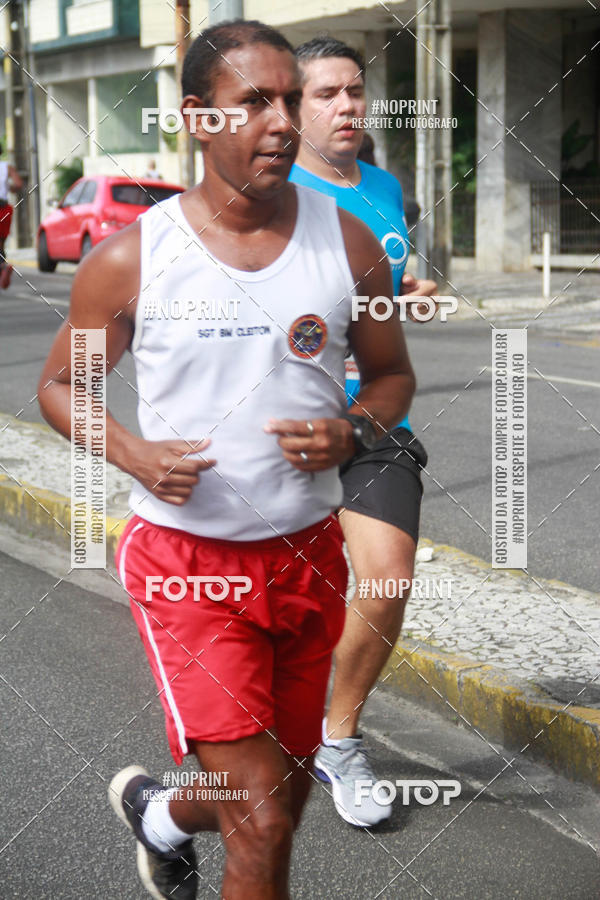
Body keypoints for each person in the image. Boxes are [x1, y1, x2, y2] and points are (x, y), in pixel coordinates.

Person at [38, 20, 415, 900]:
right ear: (199, 119)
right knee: (265, 819)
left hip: (308, 555)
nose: (282, 121)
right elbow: (62, 386)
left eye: (291, 99)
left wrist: (354, 432)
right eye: (256, 102)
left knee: (277, 794)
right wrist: (131, 451)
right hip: (185, 566)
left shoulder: (348, 244)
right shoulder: (133, 257)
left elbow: (392, 377)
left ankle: (162, 816)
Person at [290, 36, 438, 827]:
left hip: (375, 417)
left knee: (387, 576)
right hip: (283, 417)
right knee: (273, 597)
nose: (348, 105)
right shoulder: (274, 190)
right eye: (328, 93)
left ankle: (337, 739)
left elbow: (374, 298)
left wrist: (400, 295)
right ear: (295, 105)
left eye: (356, 91)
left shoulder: (383, 184)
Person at [0, 144, 24, 288]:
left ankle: (2, 268)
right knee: (1, 241)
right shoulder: (7, 168)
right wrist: (7, 187)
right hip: (3, 208)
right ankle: (2, 266)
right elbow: (19, 184)